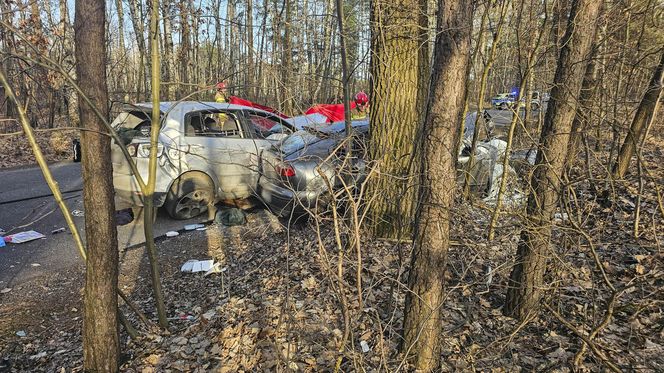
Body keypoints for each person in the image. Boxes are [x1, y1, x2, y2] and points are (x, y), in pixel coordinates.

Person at [305, 91, 370, 123]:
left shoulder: (369, 110)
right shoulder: (352, 111)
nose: (362, 106)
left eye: (364, 104)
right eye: (359, 105)